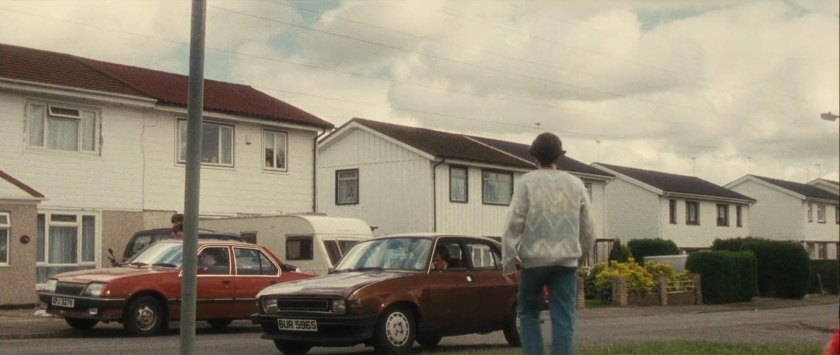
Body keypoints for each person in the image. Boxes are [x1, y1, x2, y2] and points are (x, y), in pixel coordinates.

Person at [501, 132, 595, 355]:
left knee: (528, 313)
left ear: (535, 157)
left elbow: (513, 222)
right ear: (558, 156)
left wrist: (509, 261)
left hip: (533, 261)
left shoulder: (526, 183)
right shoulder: (576, 184)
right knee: (564, 318)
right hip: (566, 261)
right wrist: (580, 257)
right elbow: (589, 228)